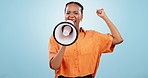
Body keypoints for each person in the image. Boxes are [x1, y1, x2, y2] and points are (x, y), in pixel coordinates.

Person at [48, 1, 123, 78]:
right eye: (68, 13)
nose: (71, 15)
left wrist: (104, 17)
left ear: (81, 16)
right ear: (65, 15)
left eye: (76, 13)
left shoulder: (93, 36)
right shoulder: (55, 37)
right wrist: (64, 43)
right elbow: (54, 66)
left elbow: (118, 39)